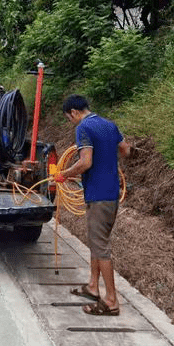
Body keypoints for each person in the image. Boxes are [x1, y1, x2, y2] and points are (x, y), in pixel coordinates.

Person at [54, 95, 130, 316]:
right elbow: (125, 150)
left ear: (74, 113)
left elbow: (85, 162)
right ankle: (93, 287)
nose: (71, 121)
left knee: (101, 247)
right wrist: (108, 161)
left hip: (98, 195)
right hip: (111, 193)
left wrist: (64, 175)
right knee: (97, 243)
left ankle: (112, 301)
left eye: (70, 118)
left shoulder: (84, 127)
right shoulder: (109, 124)